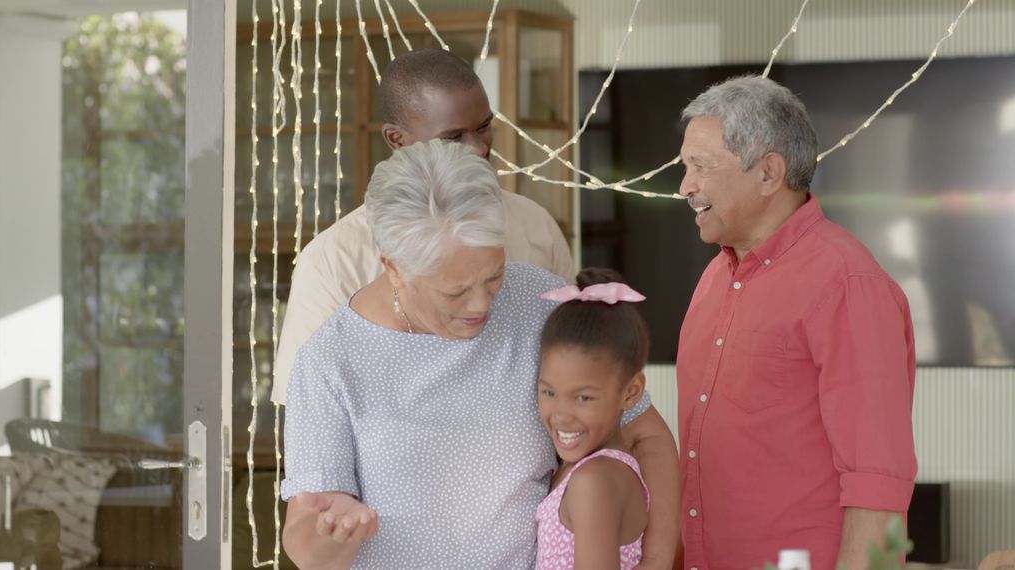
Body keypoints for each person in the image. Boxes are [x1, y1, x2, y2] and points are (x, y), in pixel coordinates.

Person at [277, 48, 681, 567]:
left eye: (493, 276)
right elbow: (304, 541)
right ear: (394, 267)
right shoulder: (331, 359)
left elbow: (645, 433)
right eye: (454, 291)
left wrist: (658, 559)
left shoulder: (538, 302)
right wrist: (333, 533)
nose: (481, 304)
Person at [675, 75, 917, 570]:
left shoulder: (847, 283)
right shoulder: (714, 277)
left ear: (768, 173)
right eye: (685, 167)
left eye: (701, 166)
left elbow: (877, 483)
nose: (685, 187)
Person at [270, 47, 573, 406]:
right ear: (397, 140)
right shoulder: (333, 260)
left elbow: (578, 359)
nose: (478, 148)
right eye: (453, 137)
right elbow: (310, 409)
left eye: (483, 127)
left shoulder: (535, 225)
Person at [535, 268, 652, 569]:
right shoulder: (581, 468)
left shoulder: (595, 480)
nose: (561, 415)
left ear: (631, 392)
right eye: (549, 392)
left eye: (583, 398)